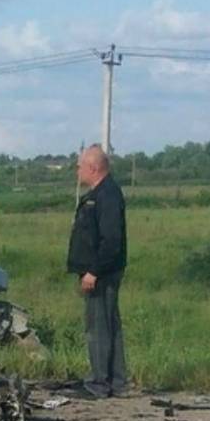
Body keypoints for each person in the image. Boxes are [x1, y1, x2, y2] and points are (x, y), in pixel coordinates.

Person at [67, 145, 128, 398]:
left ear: (93, 167)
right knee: (107, 324)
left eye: (80, 165)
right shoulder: (100, 193)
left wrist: (93, 271)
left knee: (99, 327)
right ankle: (115, 381)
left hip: (102, 273)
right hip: (100, 271)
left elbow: (111, 241)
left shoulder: (107, 195)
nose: (77, 170)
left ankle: (99, 383)